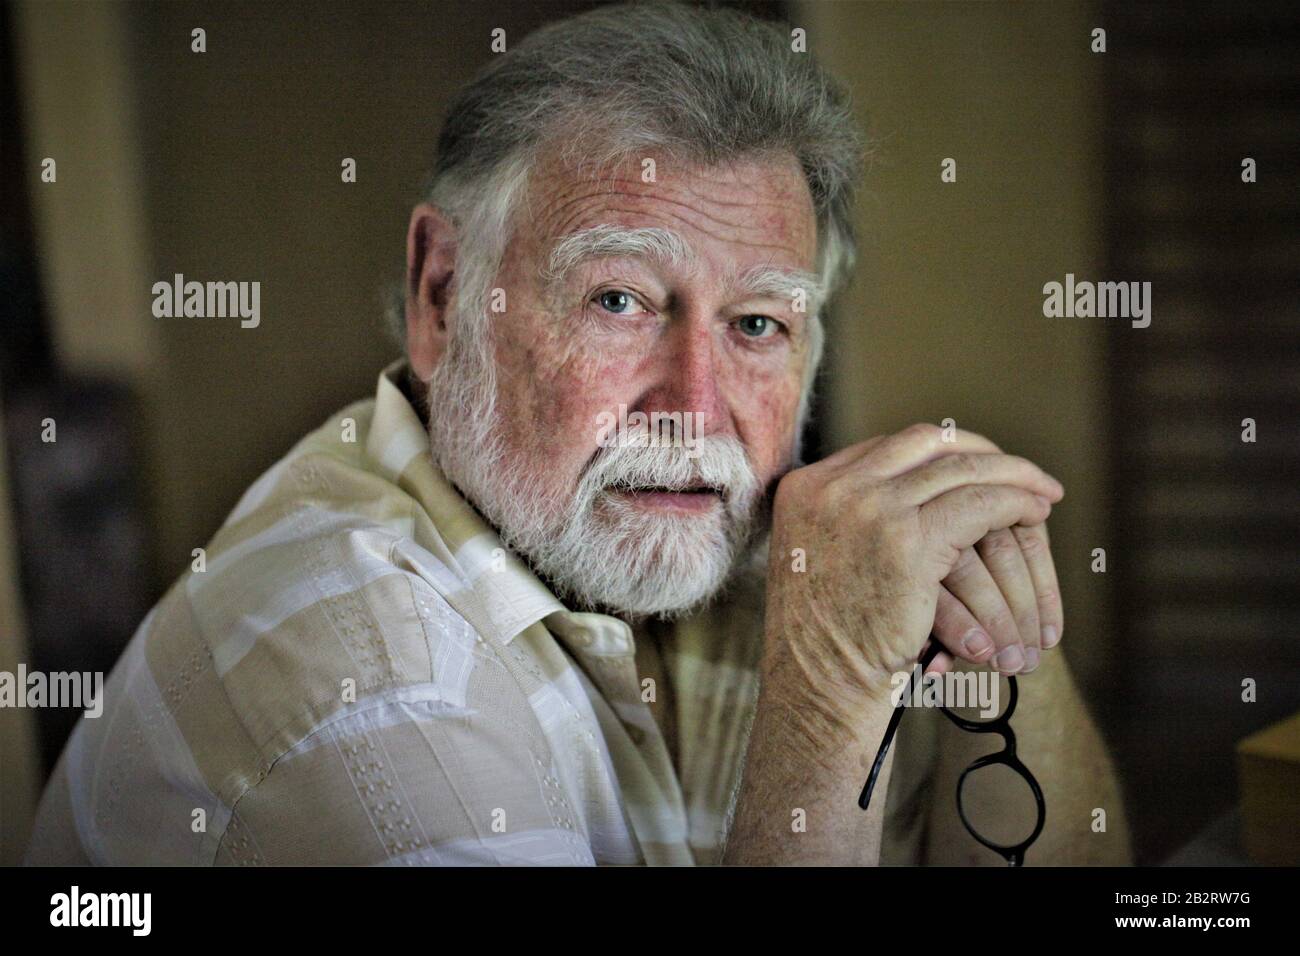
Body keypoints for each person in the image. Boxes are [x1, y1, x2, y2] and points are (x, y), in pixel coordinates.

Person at [26, 0, 1129, 866]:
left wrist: (1002, 645)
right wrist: (832, 696)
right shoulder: (365, 681)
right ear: (443, 295)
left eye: (756, 322)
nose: (693, 408)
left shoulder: (738, 550)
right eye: (619, 301)